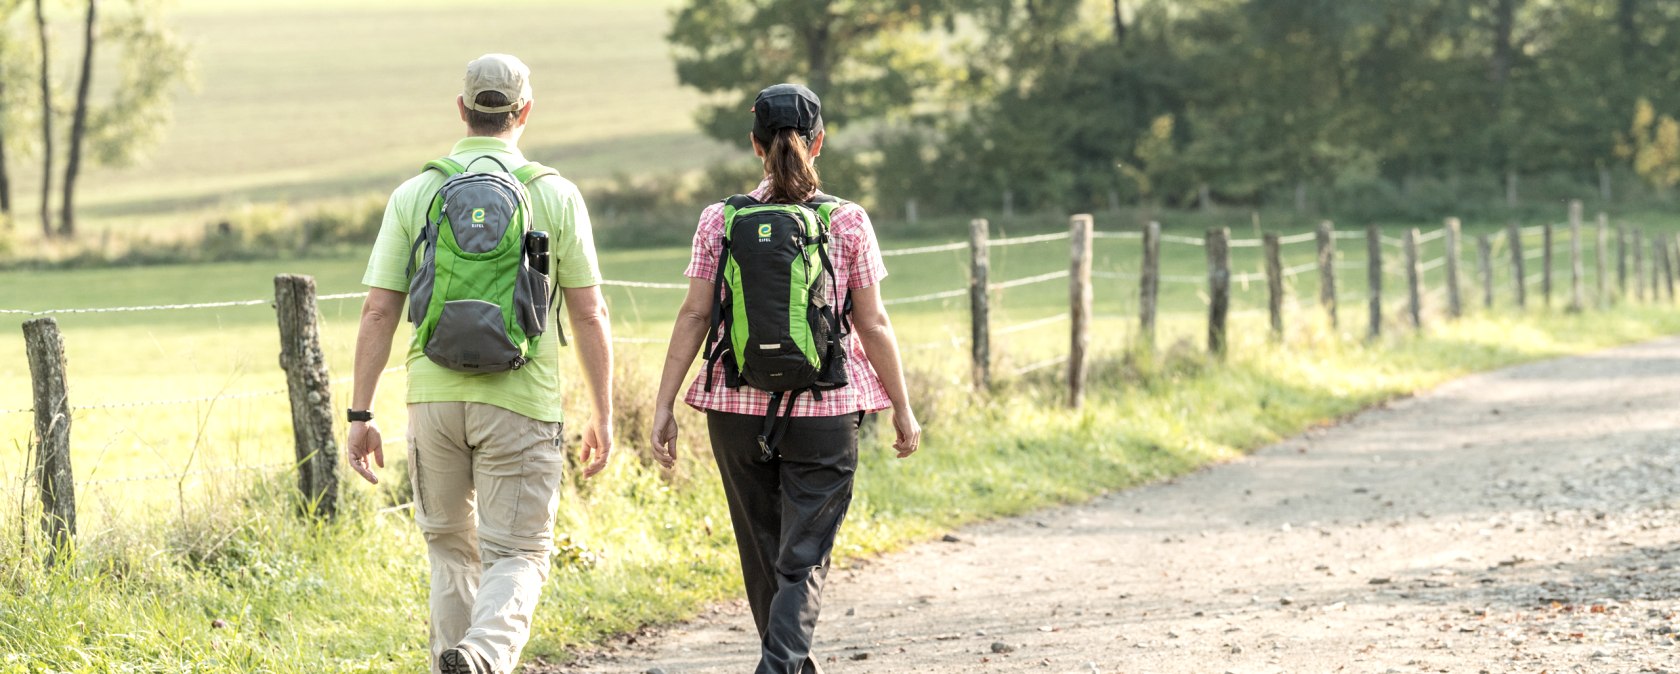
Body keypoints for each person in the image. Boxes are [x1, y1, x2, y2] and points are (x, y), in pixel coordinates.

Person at [346, 53, 614, 674]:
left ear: (462, 110)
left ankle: (459, 659)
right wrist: (602, 411)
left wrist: (361, 412)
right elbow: (590, 312)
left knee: (448, 551)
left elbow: (378, 312)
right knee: (518, 554)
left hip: (432, 401)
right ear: (525, 112)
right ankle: (484, 656)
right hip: (522, 399)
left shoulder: (415, 192)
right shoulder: (555, 194)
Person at [649, 83, 922, 674]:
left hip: (735, 406)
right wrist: (902, 406)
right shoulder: (846, 220)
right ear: (819, 142)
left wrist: (664, 403)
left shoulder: (719, 219)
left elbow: (695, 314)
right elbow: (871, 322)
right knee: (803, 556)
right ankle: (782, 667)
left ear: (754, 146)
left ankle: (786, 664)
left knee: (762, 550)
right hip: (826, 408)